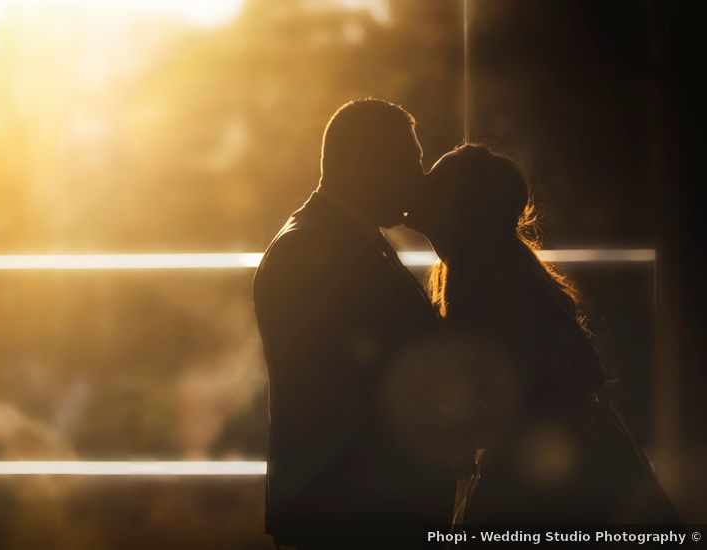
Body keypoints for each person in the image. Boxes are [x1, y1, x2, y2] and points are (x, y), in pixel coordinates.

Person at [408, 144, 680, 525]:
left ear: (464, 207)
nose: (419, 187)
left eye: (435, 184)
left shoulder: (491, 283)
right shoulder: (495, 269)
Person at [253, 99, 456, 548]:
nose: (418, 178)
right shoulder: (308, 250)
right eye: (410, 161)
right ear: (370, 162)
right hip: (347, 511)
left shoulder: (346, 240)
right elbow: (350, 380)